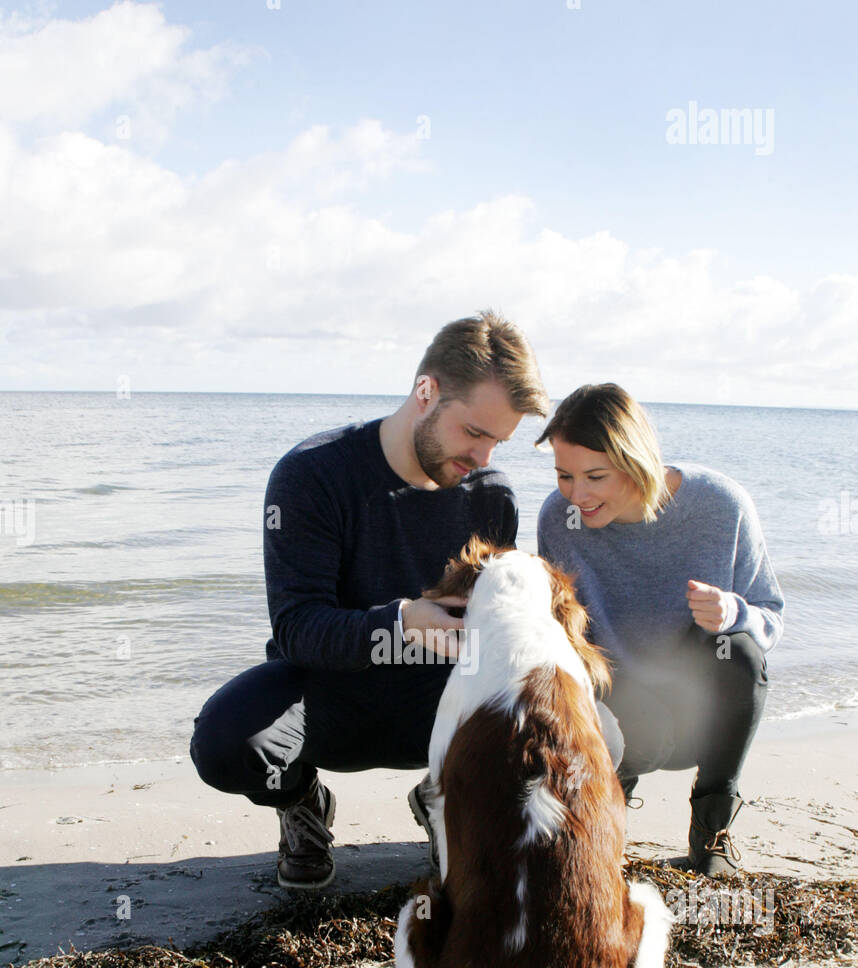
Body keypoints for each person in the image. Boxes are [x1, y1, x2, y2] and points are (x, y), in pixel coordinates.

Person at [190, 311, 554, 888]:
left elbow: (496, 630)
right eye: (474, 433)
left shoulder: (490, 495)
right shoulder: (313, 474)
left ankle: (446, 800)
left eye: (498, 441)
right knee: (225, 742)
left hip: (438, 701)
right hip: (330, 694)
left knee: (580, 735)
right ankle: (302, 803)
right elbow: (297, 628)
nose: (483, 457)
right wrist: (404, 621)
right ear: (426, 392)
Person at [536, 383, 785, 878]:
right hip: (618, 696)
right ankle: (605, 815)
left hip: (701, 703)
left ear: (636, 461)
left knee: (739, 653)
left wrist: (734, 613)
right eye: (564, 475)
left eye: (595, 476)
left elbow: (770, 617)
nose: (577, 495)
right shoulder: (559, 519)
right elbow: (558, 636)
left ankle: (711, 831)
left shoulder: (720, 505)